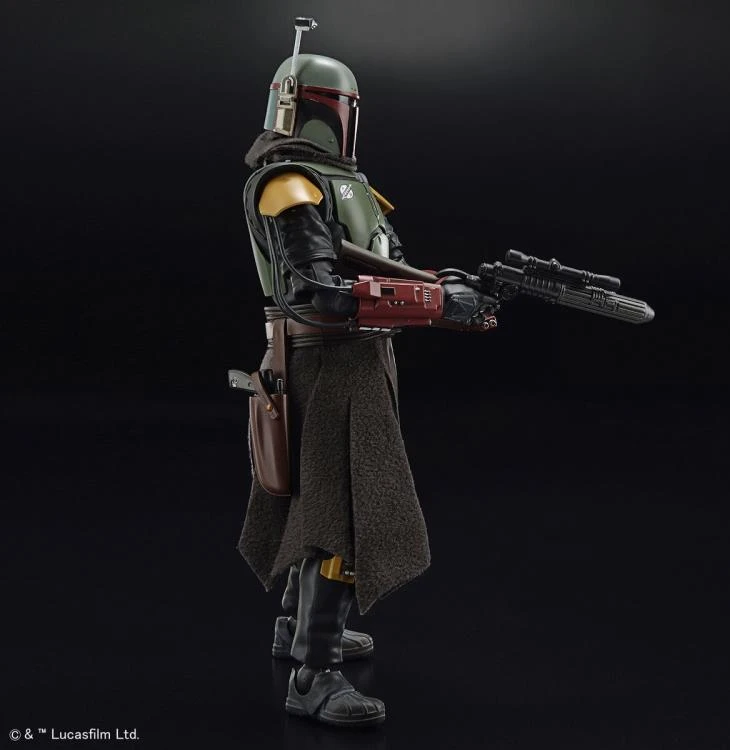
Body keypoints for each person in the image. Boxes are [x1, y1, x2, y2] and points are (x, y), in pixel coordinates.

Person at [237, 20, 496, 728]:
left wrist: (443, 288)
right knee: (343, 514)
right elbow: (318, 292)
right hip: (324, 363)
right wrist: (438, 303)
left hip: (357, 361)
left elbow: (378, 268)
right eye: (333, 108)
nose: (341, 121)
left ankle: (297, 628)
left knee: (325, 500)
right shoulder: (289, 184)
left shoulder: (345, 185)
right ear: (306, 109)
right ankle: (313, 674)